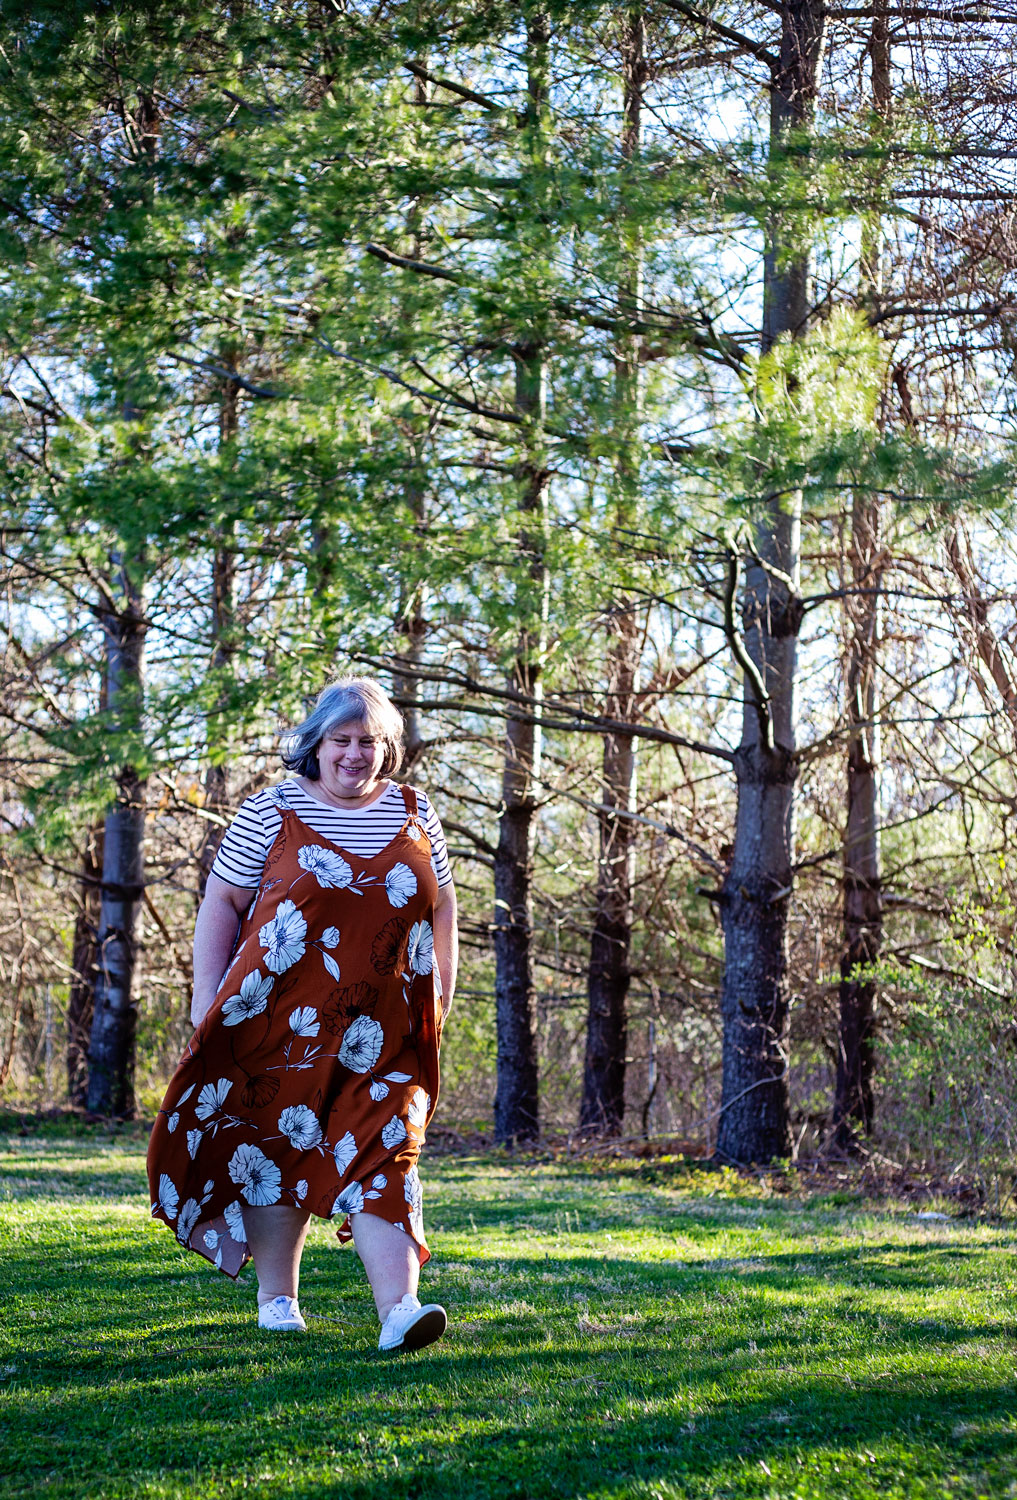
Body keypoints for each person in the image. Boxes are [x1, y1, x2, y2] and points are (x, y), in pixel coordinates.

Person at [147, 676, 458, 1353]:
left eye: (369, 742)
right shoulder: (271, 811)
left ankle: (400, 1310)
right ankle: (277, 1298)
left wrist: (441, 996)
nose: (355, 754)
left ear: (388, 748)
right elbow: (222, 904)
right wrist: (205, 1003)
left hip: (387, 1032)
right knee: (276, 1147)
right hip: (277, 1022)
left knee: (388, 1152)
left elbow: (441, 908)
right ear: (315, 744)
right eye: (341, 740)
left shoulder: (417, 812)